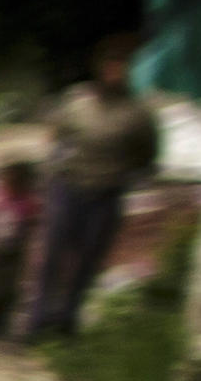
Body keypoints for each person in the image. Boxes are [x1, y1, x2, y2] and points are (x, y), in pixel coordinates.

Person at [24, 38, 161, 341]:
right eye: (110, 66)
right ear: (100, 68)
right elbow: (56, 137)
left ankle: (68, 319)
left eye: (121, 68)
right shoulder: (78, 100)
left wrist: (123, 175)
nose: (115, 73)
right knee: (52, 255)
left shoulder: (138, 114)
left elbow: (147, 155)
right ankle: (38, 320)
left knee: (88, 260)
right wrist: (52, 171)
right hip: (67, 186)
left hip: (106, 194)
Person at [0, 158, 42, 339]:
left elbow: (33, 225)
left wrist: (31, 249)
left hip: (15, 251)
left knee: (11, 288)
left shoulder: (29, 202)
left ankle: (1, 321)